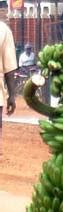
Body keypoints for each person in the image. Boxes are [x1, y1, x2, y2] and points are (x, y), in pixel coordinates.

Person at [0, 21, 18, 155]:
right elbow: (9, 65)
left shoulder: (4, 30)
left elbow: (9, 66)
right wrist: (11, 95)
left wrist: (12, 95)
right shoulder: (3, 29)